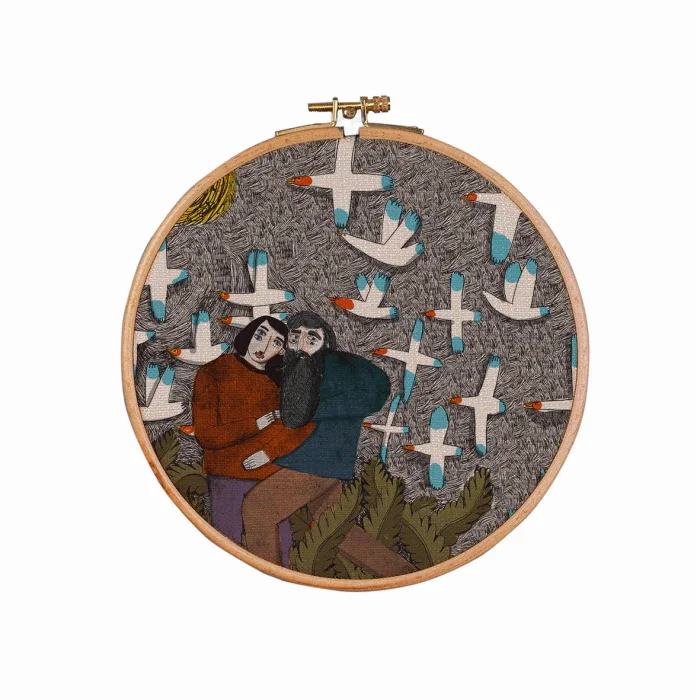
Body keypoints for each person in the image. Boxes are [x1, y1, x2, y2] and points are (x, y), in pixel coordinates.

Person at [241, 311, 416, 577]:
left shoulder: (338, 364)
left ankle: (271, 580)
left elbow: (378, 390)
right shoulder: (292, 365)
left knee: (258, 509)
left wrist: (321, 410)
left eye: (311, 338)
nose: (302, 344)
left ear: (326, 341)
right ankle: (402, 572)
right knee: (333, 528)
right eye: (295, 337)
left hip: (315, 461)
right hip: (316, 460)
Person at [191, 316, 314, 566]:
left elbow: (302, 425)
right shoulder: (213, 372)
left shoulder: (282, 382)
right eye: (260, 336)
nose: (264, 346)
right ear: (248, 334)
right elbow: (207, 435)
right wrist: (256, 424)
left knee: (281, 553)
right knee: (228, 547)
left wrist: (269, 453)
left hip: (270, 477)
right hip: (227, 476)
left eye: (275, 342)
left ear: (282, 350)